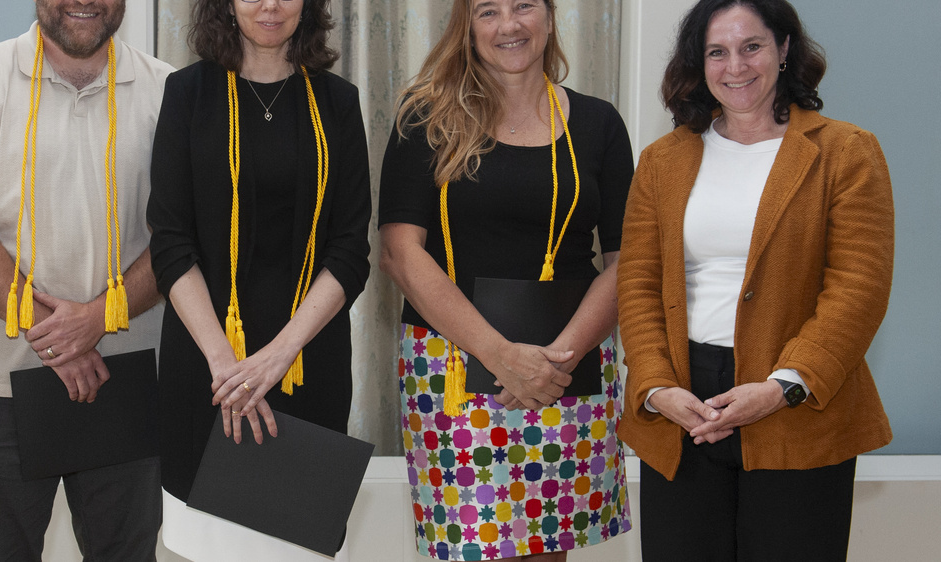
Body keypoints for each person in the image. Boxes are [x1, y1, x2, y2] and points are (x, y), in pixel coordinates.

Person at [617, 0, 894, 559]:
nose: (735, 66)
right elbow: (639, 284)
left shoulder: (846, 152)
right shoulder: (661, 161)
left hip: (796, 403)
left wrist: (783, 386)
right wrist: (657, 385)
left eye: (752, 47)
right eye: (717, 52)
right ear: (699, 62)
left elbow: (858, 289)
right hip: (683, 408)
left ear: (784, 49)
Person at [378, 1, 634, 560]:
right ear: (465, 26)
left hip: (565, 369)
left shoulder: (599, 124)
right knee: (470, 548)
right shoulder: (424, 118)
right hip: (451, 365)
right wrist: (501, 356)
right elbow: (400, 254)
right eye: (488, 11)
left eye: (523, 6)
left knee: (548, 551)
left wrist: (552, 363)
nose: (509, 25)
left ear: (548, 15)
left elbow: (627, 262)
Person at [0, 0, 172, 560]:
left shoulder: (167, 89)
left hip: (126, 377)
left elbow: (181, 236)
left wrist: (99, 318)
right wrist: (60, 335)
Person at [147, 0, 371, 558]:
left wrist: (278, 357)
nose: (270, 5)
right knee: (207, 550)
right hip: (206, 371)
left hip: (305, 368)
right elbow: (170, 241)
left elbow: (350, 250)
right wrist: (227, 368)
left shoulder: (339, 103)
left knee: (297, 546)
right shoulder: (186, 94)